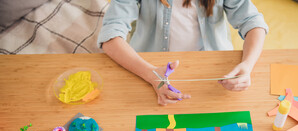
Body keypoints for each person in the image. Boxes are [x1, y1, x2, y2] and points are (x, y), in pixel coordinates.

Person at [98, 0, 268, 106]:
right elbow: (110, 36)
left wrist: (247, 65)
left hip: (215, 73)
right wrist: (152, 75)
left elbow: (253, 22)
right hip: (147, 70)